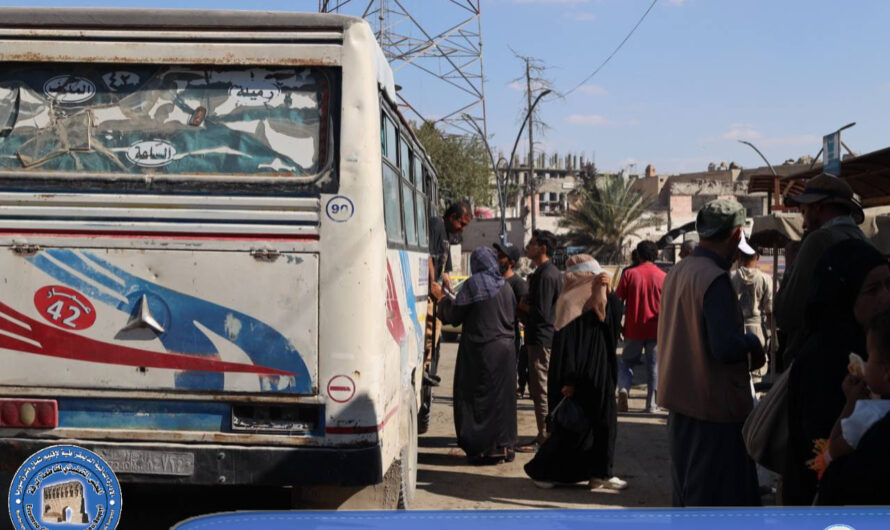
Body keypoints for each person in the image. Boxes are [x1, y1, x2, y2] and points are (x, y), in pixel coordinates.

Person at [657, 199, 766, 507]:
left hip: (681, 408)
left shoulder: (680, 271)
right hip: (713, 413)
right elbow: (725, 347)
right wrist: (753, 344)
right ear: (736, 234)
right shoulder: (715, 279)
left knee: (688, 497)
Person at [782, 239, 890, 505]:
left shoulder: (880, 346)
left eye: (889, 285)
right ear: (845, 295)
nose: (886, 297)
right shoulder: (822, 361)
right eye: (873, 290)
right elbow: (820, 452)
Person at [524, 254, 627, 491]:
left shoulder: (600, 299)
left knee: (604, 424)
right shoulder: (569, 302)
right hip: (578, 377)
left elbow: (611, 325)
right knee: (572, 429)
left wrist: (608, 293)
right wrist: (569, 381)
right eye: (592, 275)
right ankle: (542, 471)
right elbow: (567, 349)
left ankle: (601, 473)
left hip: (600, 372)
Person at [430, 246, 517, 464]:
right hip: (506, 352)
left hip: (482, 351)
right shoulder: (505, 286)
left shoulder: (475, 284)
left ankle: (483, 449)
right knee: (503, 400)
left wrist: (441, 300)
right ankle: (505, 447)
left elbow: (454, 316)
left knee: (478, 398)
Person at [774, 173, 868, 368]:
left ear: (817, 207)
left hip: (818, 364)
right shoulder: (864, 240)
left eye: (803, 211)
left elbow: (786, 314)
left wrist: (790, 266)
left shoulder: (818, 240)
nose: (803, 223)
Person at [817, 307, 890, 505]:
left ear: (886, 371)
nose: (866, 364)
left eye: (869, 357)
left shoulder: (870, 415)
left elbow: (831, 453)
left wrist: (850, 403)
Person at [516, 229, 562, 453]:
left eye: (533, 243)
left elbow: (543, 313)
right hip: (540, 338)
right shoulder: (545, 272)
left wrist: (524, 306)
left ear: (543, 248)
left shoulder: (546, 274)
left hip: (542, 340)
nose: (528, 246)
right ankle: (543, 434)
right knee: (538, 389)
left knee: (541, 390)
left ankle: (545, 437)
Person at [423, 202, 473, 380]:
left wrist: (449, 286)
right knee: (431, 328)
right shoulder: (437, 225)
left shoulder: (449, 236)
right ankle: (424, 367)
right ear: (452, 218)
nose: (462, 229)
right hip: (429, 290)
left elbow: (444, 269)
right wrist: (432, 285)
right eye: (462, 224)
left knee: (436, 327)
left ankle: (427, 366)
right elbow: (428, 256)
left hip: (437, 290)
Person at [615, 240, 666, 413]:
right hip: (656, 329)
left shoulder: (629, 274)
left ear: (639, 255)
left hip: (633, 328)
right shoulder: (663, 276)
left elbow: (617, 301)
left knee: (627, 362)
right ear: (656, 255)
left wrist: (618, 326)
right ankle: (651, 405)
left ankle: (623, 389)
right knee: (654, 366)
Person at [494, 241, 529, 397]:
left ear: (511, 263)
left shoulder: (518, 284)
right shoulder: (493, 281)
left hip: (508, 336)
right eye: (497, 254)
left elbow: (525, 312)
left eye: (501, 256)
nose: (497, 257)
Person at [731, 242, 773, 349]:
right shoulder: (766, 279)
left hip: (736, 331)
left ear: (740, 256)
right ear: (758, 257)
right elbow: (769, 311)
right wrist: (774, 337)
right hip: (758, 332)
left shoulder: (731, 277)